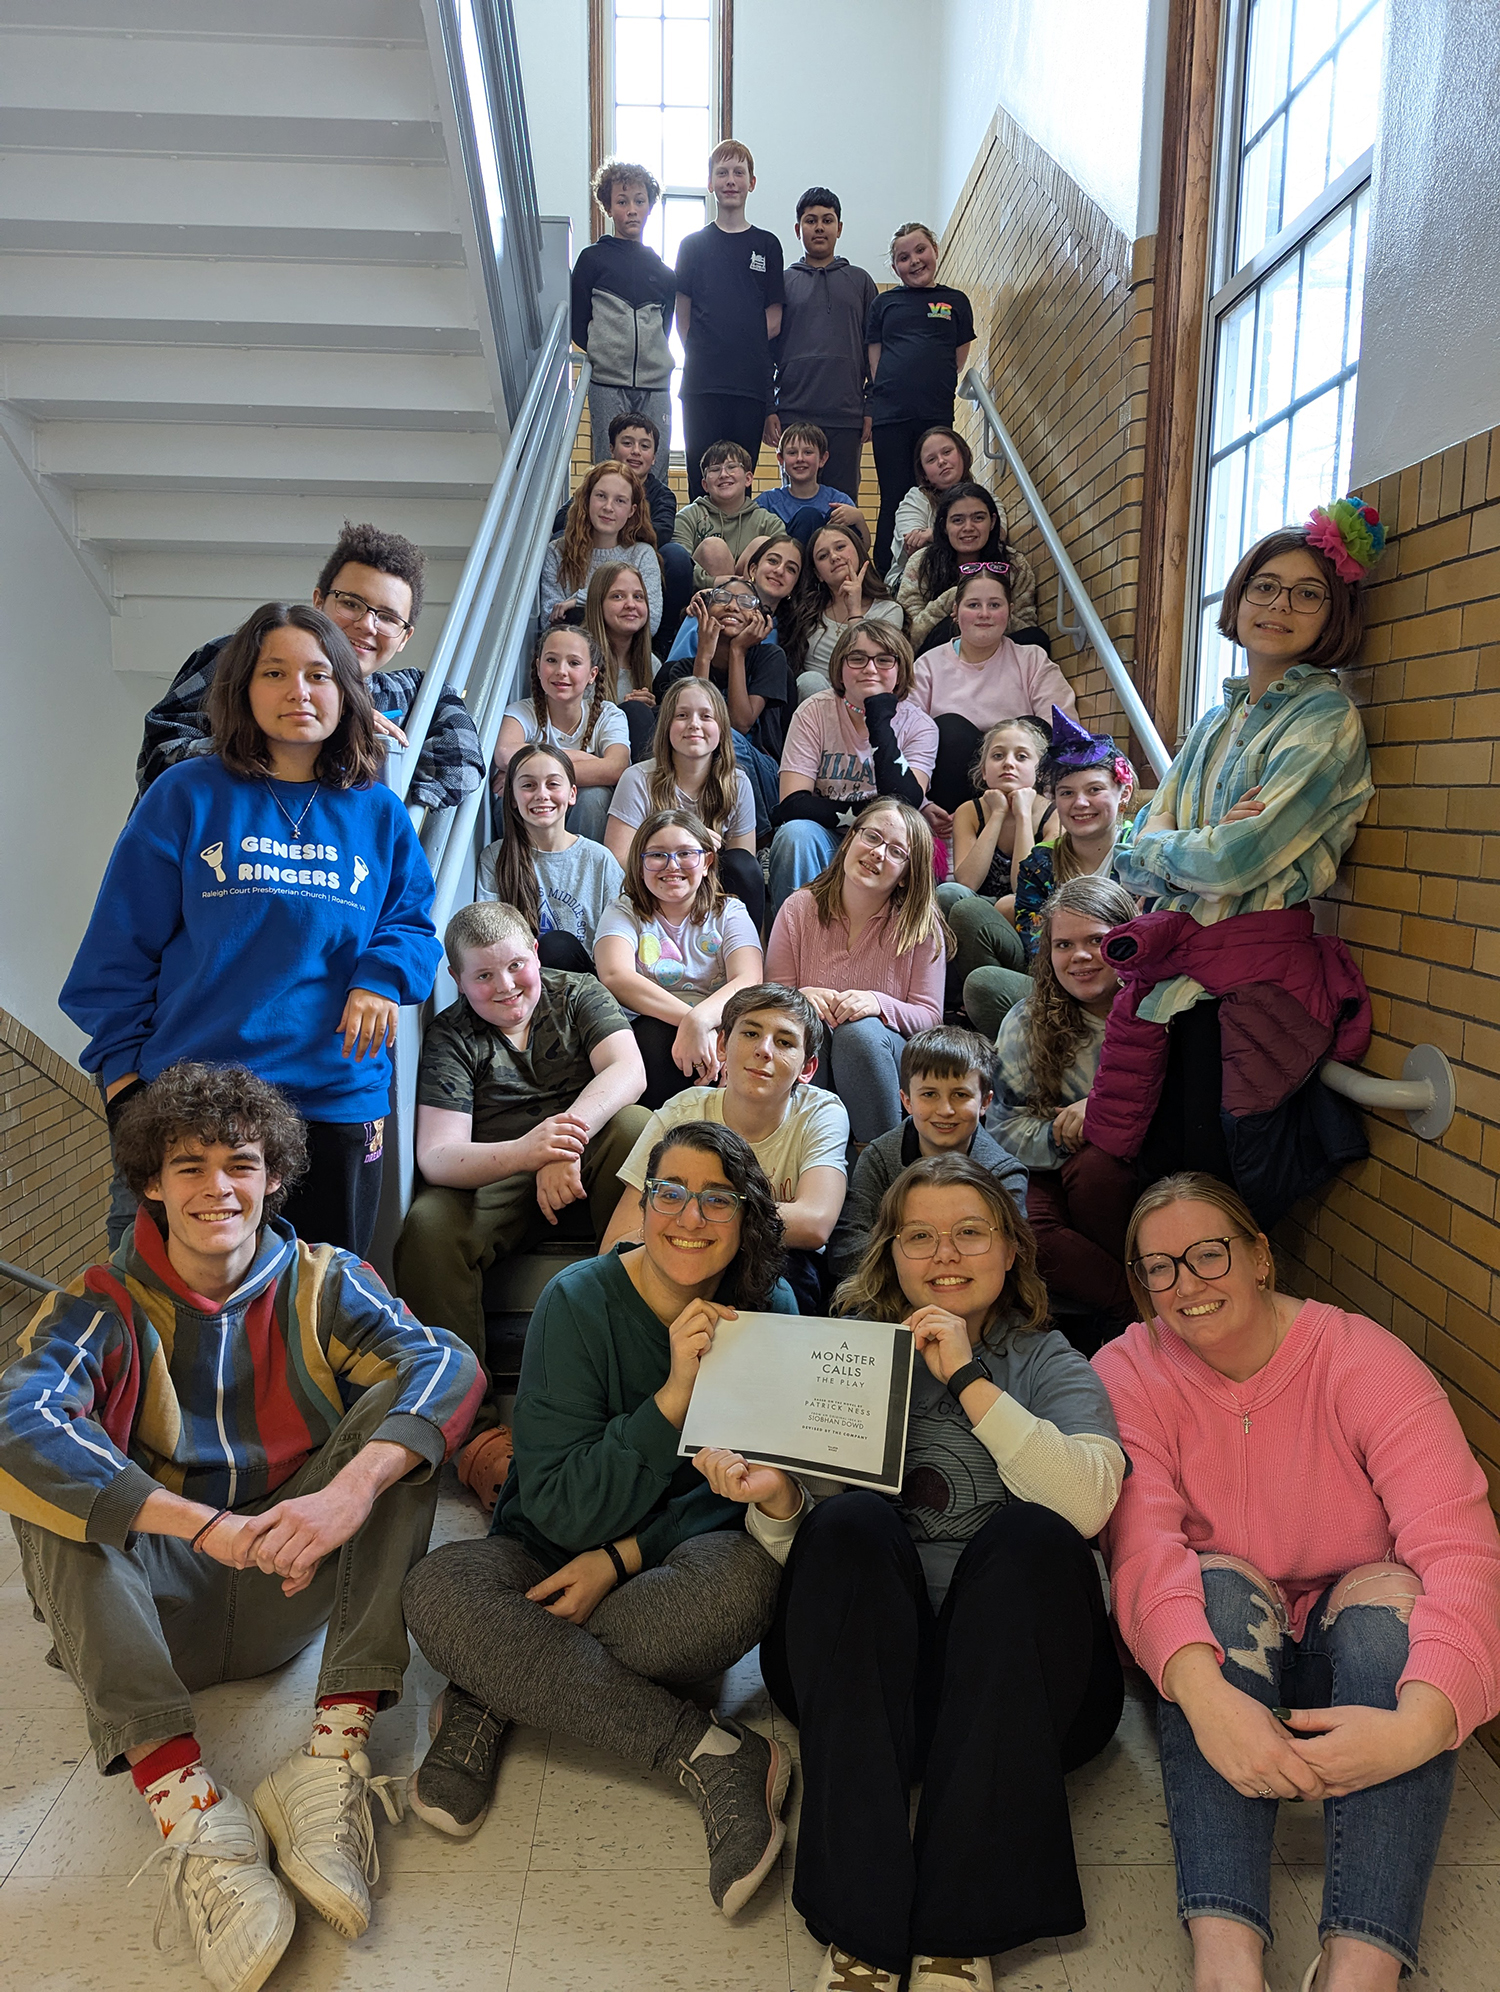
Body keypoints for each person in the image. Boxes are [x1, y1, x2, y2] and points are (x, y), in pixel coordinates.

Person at [0, 1063, 482, 1991]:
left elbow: (446, 1365)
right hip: (148, 1609)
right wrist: (198, 1523)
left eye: (241, 1164)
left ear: (273, 1178)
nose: (217, 1187)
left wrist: (350, 1492)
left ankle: (328, 1762)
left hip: (293, 1579)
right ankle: (190, 1810)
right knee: (43, 1484)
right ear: (150, 1180)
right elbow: (16, 1422)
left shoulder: (324, 1279)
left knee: (404, 1432)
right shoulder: (96, 1303)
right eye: (189, 1166)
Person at [699, 1152, 1126, 1992]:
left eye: (971, 1233)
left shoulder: (1049, 1362)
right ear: (889, 1254)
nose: (945, 1256)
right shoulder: (848, 1360)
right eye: (919, 1237)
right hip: (864, 1689)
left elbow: (1087, 1507)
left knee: (1034, 1537)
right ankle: (860, 1929)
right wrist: (777, 1501)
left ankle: (960, 1930)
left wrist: (967, 1376)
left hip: (1020, 1695)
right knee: (848, 1521)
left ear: (1011, 1251)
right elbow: (811, 1569)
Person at [1095, 1171, 1500, 1992]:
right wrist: (1209, 1706)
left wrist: (1421, 1723)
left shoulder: (1361, 1358)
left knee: (1397, 1618)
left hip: (1352, 1646)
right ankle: (1227, 1954)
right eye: (1160, 1267)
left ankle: (1361, 1963)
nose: (1187, 1284)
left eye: (1208, 1255)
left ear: (1260, 1260)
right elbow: (1143, 1552)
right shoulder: (1128, 1370)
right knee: (1206, 1595)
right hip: (1222, 1642)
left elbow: (1459, 1543)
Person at [400, 1123, 797, 1923]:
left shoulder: (770, 1308)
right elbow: (555, 1504)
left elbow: (732, 1495)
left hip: (667, 1563)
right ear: (643, 1202)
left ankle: (494, 1685)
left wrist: (620, 1560)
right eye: (670, 1192)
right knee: (439, 1592)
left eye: (716, 1197)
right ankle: (712, 1751)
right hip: (539, 1550)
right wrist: (672, 1403)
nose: (689, 1215)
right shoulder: (577, 1298)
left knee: (740, 1590)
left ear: (746, 1213)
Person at [64, 601, 440, 1257]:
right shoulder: (186, 795)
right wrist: (126, 1088)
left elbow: (411, 922)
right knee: (186, 1325)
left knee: (321, 1321)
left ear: (348, 692)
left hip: (336, 1101)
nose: (298, 691)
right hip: (197, 1107)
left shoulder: (377, 811)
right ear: (243, 688)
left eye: (320, 675)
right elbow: (115, 957)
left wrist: (381, 977)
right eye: (275, 673)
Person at [1085, 505, 1382, 1223]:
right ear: (1239, 596)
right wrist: (1180, 845)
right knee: (1157, 1185)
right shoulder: (1219, 719)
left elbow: (1231, 862)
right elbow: (1126, 853)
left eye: (1306, 592)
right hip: (1173, 986)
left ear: (1333, 610)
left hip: (1248, 990)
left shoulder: (1323, 718)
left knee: (1217, 1202)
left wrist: (1180, 847)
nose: (1280, 604)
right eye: (1265, 586)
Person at [392, 901, 649, 1444]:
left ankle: (634, 1380)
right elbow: (438, 1155)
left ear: (535, 952)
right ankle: (473, 1433)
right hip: (500, 1172)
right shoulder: (451, 1035)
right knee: (428, 1227)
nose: (505, 986)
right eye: (483, 975)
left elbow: (629, 1070)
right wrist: (527, 1154)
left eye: (515, 966)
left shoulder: (576, 992)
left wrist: (559, 1145)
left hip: (587, 1160)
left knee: (636, 1127)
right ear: (458, 981)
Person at [137, 518, 484, 812]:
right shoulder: (242, 655)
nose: (367, 625)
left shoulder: (413, 693)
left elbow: (463, 765)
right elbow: (160, 759)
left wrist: (396, 808)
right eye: (351, 603)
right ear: (318, 601)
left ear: (405, 637)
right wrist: (307, 731)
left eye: (389, 618)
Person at [600, 982, 849, 1313]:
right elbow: (618, 1242)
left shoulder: (821, 1111)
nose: (764, 1050)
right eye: (750, 1034)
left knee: (791, 1275)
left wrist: (699, 1215)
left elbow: (815, 1223)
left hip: (779, 1263)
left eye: (785, 1042)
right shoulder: (683, 1110)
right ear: (721, 1045)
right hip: (688, 1253)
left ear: (807, 1068)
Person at [993, 878, 1140, 1344]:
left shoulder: (1158, 1011)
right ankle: (1140, 1314)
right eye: (1064, 944)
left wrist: (1097, 1111)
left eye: (1096, 940)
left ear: (1125, 938)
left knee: (1096, 1171)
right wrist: (1059, 1134)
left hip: (1128, 1166)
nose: (1080, 956)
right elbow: (1001, 1125)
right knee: (1024, 1224)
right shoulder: (1026, 1020)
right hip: (1045, 1165)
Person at [766, 800, 947, 1144]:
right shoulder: (799, 908)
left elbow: (929, 1017)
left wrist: (878, 1004)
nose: (878, 853)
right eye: (872, 837)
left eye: (896, 852)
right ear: (849, 840)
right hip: (814, 1053)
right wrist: (800, 997)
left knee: (858, 1034)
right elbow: (773, 997)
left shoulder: (921, 926)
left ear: (908, 875)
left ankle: (880, 1159)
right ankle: (801, 1151)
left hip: (883, 1059)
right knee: (806, 1025)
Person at [958, 709, 1137, 1035]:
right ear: (1054, 799)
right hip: (1059, 982)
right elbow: (1035, 942)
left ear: (1123, 793)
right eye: (1067, 793)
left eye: (1094, 790)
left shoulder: (1141, 855)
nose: (1080, 803)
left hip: (1126, 988)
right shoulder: (1040, 863)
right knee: (984, 977)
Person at [827, 1026, 1027, 1286]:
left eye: (960, 1095)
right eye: (929, 1094)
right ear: (907, 1101)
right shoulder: (879, 1158)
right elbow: (846, 1248)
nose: (945, 1110)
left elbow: (1011, 1257)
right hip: (886, 1295)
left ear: (985, 1102)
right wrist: (917, 1275)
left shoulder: (1003, 1173)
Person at [595, 808, 765, 1107]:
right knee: (654, 1035)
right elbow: (614, 976)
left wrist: (704, 1022)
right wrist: (691, 1022)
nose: (672, 866)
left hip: (718, 1030)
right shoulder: (623, 911)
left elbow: (749, 978)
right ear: (640, 864)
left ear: (706, 862)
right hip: (651, 1035)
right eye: (657, 855)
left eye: (685, 853)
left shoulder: (730, 912)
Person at [769, 621, 937, 912]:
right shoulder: (813, 712)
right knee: (794, 834)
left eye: (884, 659)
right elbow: (793, 803)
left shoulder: (920, 726)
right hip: (824, 836)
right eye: (857, 658)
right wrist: (869, 812)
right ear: (840, 668)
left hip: (885, 842)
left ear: (900, 670)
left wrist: (879, 719)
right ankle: (793, 943)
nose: (870, 668)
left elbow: (906, 804)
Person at [913, 564, 1078, 826]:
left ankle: (1019, 830)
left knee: (1032, 730)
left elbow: (1063, 729)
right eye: (974, 605)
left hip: (1019, 802)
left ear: (1009, 611)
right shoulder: (928, 665)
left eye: (994, 605)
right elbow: (906, 738)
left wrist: (1050, 802)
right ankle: (959, 831)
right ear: (955, 612)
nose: (984, 614)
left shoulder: (1031, 659)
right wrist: (921, 803)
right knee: (950, 730)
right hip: (950, 799)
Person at [604, 677, 765, 929]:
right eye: (682, 715)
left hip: (710, 890)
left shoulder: (738, 783)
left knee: (743, 865)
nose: (694, 724)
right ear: (667, 725)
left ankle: (750, 953)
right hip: (655, 886)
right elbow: (618, 859)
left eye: (706, 716)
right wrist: (685, 846)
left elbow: (744, 863)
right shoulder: (637, 778)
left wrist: (694, 861)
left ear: (721, 727)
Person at [674, 140, 785, 496]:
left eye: (739, 172)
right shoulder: (692, 245)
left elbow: (774, 318)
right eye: (722, 173)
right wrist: (709, 351)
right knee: (702, 479)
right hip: (702, 385)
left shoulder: (768, 245)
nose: (730, 180)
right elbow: (683, 316)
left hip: (749, 387)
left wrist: (742, 348)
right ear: (710, 182)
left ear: (752, 182)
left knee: (739, 482)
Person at [866, 223, 975, 571]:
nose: (913, 261)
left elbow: (956, 361)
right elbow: (876, 363)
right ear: (895, 267)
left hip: (935, 417)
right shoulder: (884, 304)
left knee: (941, 494)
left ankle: (941, 567)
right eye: (903, 257)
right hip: (891, 418)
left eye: (920, 251)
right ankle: (886, 575)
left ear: (935, 251)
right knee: (894, 497)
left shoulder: (956, 301)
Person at [653, 572, 794, 827]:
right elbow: (694, 729)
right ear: (704, 612)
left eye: (745, 602)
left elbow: (740, 724)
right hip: (696, 771)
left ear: (760, 618)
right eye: (723, 598)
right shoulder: (682, 669)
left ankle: (760, 839)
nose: (732, 605)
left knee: (728, 738)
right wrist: (704, 657)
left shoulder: (770, 658)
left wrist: (738, 652)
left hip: (762, 775)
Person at [768, 188, 878, 501]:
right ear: (797, 229)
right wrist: (768, 408)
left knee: (842, 507)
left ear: (839, 228)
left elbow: (875, 351)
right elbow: (765, 351)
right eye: (810, 220)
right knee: (795, 506)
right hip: (793, 412)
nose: (819, 227)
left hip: (846, 414)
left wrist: (870, 407)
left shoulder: (860, 281)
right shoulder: (782, 282)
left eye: (827, 220)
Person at [477, 742, 624, 968]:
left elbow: (622, 941)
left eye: (553, 784)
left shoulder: (599, 860)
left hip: (589, 989)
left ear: (572, 794)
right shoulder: (495, 858)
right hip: (522, 985)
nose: (542, 795)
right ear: (513, 798)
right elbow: (489, 940)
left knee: (557, 946)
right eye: (528, 785)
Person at [569, 156, 677, 461]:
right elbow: (579, 324)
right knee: (608, 465)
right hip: (606, 382)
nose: (631, 209)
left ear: (650, 205)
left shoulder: (665, 274)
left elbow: (664, 327)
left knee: (653, 469)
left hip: (655, 386)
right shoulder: (592, 261)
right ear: (608, 206)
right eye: (622, 201)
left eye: (639, 201)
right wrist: (606, 353)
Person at [495, 625, 631, 842]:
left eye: (574, 663)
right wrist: (591, 761)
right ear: (538, 667)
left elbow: (616, 767)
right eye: (551, 660)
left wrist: (527, 772)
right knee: (509, 798)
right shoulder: (520, 712)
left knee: (594, 797)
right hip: (534, 815)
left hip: (586, 816)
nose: (561, 671)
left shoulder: (608, 715)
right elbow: (504, 754)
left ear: (592, 674)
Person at [897, 479, 1044, 652]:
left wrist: (988, 609)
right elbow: (908, 638)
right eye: (958, 520)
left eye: (978, 518)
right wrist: (955, 598)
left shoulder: (1013, 563)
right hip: (940, 660)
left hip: (1000, 658)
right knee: (953, 626)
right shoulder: (922, 562)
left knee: (1037, 639)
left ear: (993, 521)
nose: (968, 527)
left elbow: (1025, 628)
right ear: (944, 526)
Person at [781, 516, 906, 702]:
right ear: (818, 574)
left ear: (859, 552)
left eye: (840, 547)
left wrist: (854, 610)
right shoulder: (806, 611)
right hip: (816, 705)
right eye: (823, 556)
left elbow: (870, 665)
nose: (834, 557)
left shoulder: (889, 610)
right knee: (810, 680)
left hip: (866, 700)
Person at [540, 459, 662, 633]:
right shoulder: (557, 552)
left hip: (625, 655)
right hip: (575, 656)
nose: (608, 507)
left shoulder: (642, 554)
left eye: (620, 501)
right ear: (587, 499)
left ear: (631, 511)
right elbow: (551, 621)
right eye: (601, 496)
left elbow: (651, 622)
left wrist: (580, 600)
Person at [672, 439, 787, 590]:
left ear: (748, 479)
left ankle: (745, 609)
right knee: (713, 547)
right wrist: (711, 581)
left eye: (732, 467)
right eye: (714, 469)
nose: (724, 474)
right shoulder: (688, 516)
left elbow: (785, 564)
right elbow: (679, 564)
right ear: (705, 485)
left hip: (754, 604)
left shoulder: (769, 522)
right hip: (705, 602)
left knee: (763, 544)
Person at [583, 558, 659, 759]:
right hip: (589, 761)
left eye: (638, 597)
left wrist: (647, 716)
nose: (631, 605)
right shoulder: (577, 660)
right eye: (617, 596)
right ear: (598, 604)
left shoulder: (652, 664)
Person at [885, 424, 973, 589]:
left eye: (947, 452)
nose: (941, 461)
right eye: (931, 459)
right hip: (916, 582)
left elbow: (998, 534)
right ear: (924, 473)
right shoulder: (916, 498)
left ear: (964, 454)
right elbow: (913, 545)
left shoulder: (984, 497)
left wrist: (933, 534)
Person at [758, 420, 863, 546]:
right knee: (808, 517)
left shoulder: (838, 500)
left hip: (827, 562)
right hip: (786, 562)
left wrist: (859, 518)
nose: (800, 459)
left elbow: (862, 548)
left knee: (835, 516)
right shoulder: (767, 503)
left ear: (822, 459)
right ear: (781, 459)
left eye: (808, 452)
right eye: (792, 453)